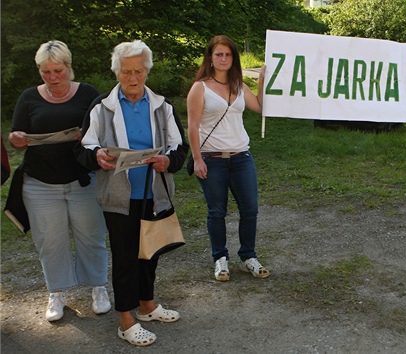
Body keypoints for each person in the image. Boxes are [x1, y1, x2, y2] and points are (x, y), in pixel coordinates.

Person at [75, 40, 189, 346]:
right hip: (119, 197)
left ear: (148, 70)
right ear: (117, 72)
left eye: (139, 70)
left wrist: (168, 161)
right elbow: (83, 148)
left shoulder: (162, 106)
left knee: (149, 253)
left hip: (154, 193)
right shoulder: (102, 107)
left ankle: (147, 306)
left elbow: (180, 148)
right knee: (125, 258)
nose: (133, 78)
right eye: (126, 71)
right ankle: (125, 319)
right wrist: (97, 156)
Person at [7, 40, 111, 321]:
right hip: (40, 184)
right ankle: (57, 293)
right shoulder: (29, 97)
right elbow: (17, 137)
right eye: (46, 72)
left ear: (69, 67)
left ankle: (99, 288)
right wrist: (16, 138)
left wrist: (87, 134)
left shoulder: (88, 93)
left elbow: (106, 130)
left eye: (58, 71)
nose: (53, 78)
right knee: (50, 242)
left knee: (91, 237)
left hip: (83, 180)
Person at [187, 35, 268, 282]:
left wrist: (263, 81)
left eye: (228, 55)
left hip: (241, 156)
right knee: (217, 211)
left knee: (250, 209)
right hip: (212, 157)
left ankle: (248, 256)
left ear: (234, 58)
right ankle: (220, 258)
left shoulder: (239, 86)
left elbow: (261, 108)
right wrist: (197, 159)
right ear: (210, 58)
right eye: (219, 54)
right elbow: (192, 126)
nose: (224, 59)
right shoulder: (200, 87)